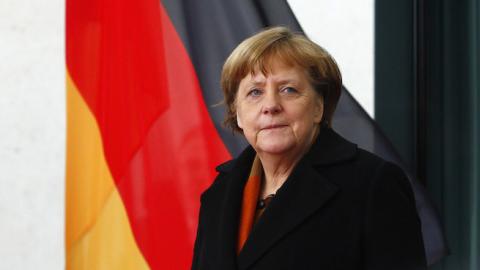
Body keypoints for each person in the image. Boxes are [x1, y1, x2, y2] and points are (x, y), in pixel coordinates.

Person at [191, 26, 427, 270]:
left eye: (288, 89)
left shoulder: (372, 184)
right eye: (255, 92)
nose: (270, 105)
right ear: (237, 114)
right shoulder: (219, 193)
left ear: (319, 107)